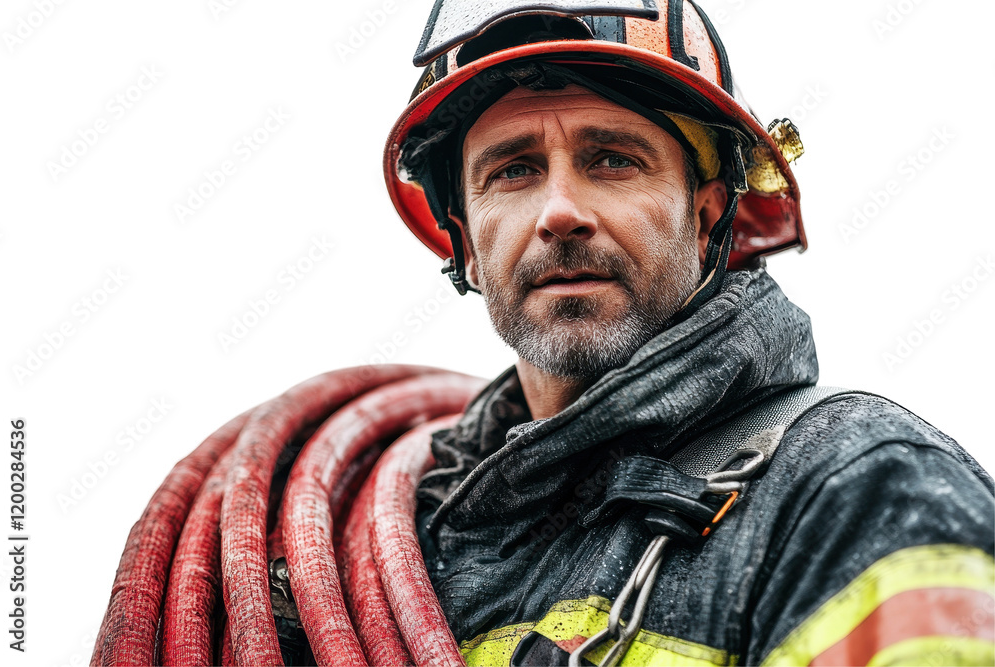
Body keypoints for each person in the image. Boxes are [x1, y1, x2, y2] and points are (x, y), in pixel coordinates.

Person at [382, 2, 995, 666]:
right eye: (512, 170)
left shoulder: (858, 491)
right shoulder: (405, 532)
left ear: (704, 217)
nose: (560, 211)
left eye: (613, 159)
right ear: (466, 241)